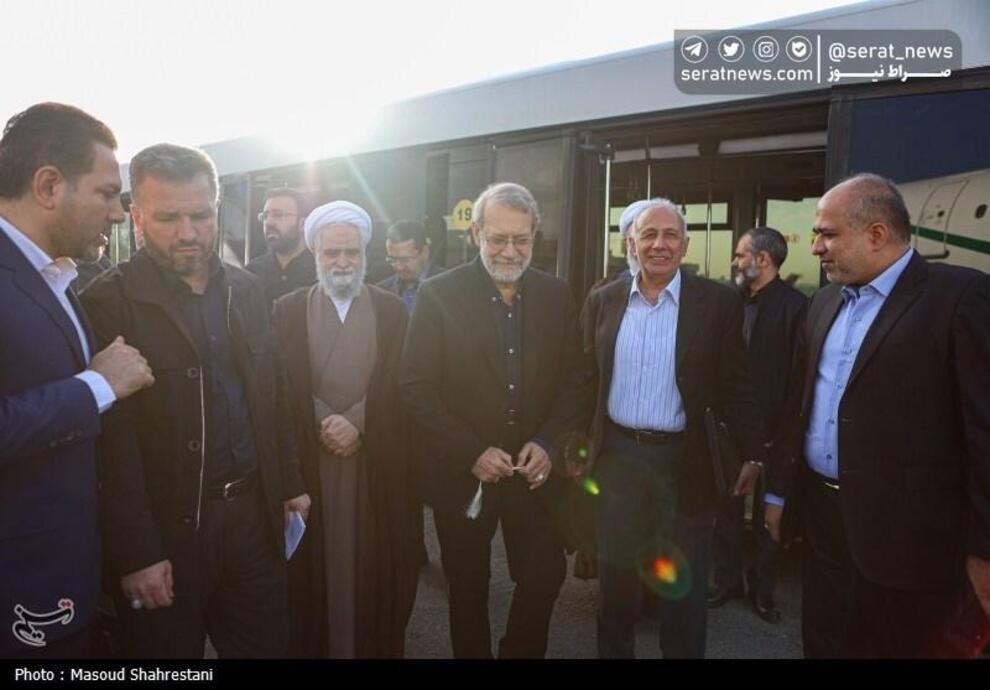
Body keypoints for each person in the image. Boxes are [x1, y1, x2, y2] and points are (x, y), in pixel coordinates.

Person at [81, 143, 310, 659]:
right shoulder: (106, 302)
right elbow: (111, 448)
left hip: (252, 523)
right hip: (167, 533)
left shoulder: (247, 290)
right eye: (168, 218)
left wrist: (290, 481)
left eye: (201, 215)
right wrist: (136, 551)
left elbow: (272, 393)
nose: (188, 232)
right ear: (137, 216)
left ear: (218, 209)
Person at [765, 173, 990, 658]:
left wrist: (983, 549)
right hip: (824, 524)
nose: (816, 247)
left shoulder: (960, 298)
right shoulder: (822, 303)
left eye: (827, 234)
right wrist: (778, 491)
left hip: (912, 545)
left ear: (876, 234)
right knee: (825, 644)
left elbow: (983, 435)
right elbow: (798, 407)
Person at [400, 182, 590, 658]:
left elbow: (576, 382)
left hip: (535, 475)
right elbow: (415, 386)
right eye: (498, 238)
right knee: (467, 588)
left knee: (545, 576)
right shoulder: (437, 294)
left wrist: (548, 443)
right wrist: (471, 452)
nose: (510, 251)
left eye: (521, 240)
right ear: (476, 233)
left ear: (535, 236)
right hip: (464, 474)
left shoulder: (556, 295)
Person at [0, 102, 154, 658]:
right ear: (48, 186)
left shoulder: (55, 274)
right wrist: (96, 387)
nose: (118, 214)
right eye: (107, 194)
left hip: (68, 589)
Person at [581, 198, 765, 658]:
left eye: (670, 235)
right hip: (618, 459)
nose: (659, 244)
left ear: (685, 245)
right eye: (648, 235)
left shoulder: (718, 303)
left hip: (686, 462)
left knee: (683, 590)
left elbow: (737, 384)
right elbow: (582, 378)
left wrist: (752, 453)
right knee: (616, 585)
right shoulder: (603, 300)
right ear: (632, 244)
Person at [272, 201, 419, 658]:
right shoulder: (286, 310)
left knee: (375, 568)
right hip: (311, 464)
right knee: (312, 580)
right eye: (331, 252)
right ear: (315, 252)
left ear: (364, 254)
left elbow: (403, 381)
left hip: (374, 464)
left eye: (351, 252)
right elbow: (280, 386)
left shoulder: (391, 310)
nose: (342, 262)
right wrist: (322, 418)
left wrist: (357, 422)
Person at [708, 227, 807, 623]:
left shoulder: (796, 308)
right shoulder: (730, 302)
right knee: (726, 509)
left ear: (762, 259)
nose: (734, 261)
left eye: (740, 254)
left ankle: (763, 591)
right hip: (730, 429)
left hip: (774, 430)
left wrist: (783, 431)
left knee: (770, 514)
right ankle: (726, 581)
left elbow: (798, 379)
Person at [246, 187, 316, 306]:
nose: (269, 223)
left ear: (302, 224)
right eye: (265, 216)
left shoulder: (319, 271)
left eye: (278, 215)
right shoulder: (253, 272)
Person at [376, 219, 444, 314]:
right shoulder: (381, 292)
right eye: (392, 259)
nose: (398, 267)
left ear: (425, 252)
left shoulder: (448, 286)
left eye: (404, 259)